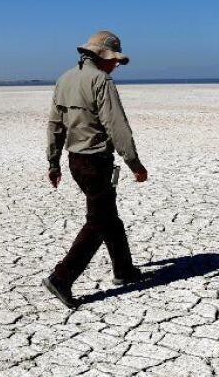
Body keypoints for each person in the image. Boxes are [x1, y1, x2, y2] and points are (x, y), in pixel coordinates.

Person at [42, 30, 149, 310]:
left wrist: (53, 163)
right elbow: (117, 126)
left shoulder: (64, 79)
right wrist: (134, 163)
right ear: (102, 57)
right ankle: (62, 278)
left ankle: (124, 270)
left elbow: (55, 125)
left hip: (75, 161)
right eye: (115, 60)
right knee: (98, 221)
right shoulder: (101, 81)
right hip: (96, 161)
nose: (116, 65)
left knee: (108, 217)